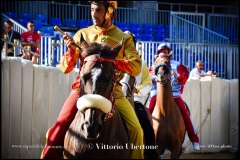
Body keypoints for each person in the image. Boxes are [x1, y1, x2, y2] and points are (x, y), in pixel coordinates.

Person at [41, 1, 144, 159]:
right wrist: (71, 51)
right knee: (59, 127)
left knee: (137, 130)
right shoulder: (81, 34)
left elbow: (136, 66)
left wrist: (113, 62)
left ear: (109, 12)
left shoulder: (124, 38)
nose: (94, 14)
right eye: (92, 10)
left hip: (113, 91)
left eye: (99, 10)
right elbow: (65, 68)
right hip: (81, 90)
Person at [148, 43, 200, 151]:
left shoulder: (177, 65)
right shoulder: (154, 65)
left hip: (174, 93)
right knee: (148, 112)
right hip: (157, 93)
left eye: (165, 51)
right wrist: (154, 78)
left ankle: (194, 139)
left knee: (185, 112)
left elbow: (184, 78)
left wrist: (176, 75)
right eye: (161, 52)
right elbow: (149, 78)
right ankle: (144, 139)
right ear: (157, 54)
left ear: (169, 53)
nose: (163, 53)